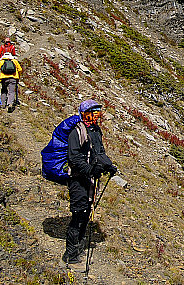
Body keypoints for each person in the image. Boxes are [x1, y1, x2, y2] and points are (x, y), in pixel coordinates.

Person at [63, 99, 118, 266]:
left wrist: (108, 166)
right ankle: (70, 253)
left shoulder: (95, 130)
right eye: (93, 112)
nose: (97, 115)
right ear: (85, 113)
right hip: (78, 179)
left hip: (91, 179)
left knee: (87, 212)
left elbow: (99, 151)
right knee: (79, 213)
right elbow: (74, 157)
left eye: (97, 112)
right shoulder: (77, 131)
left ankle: (78, 247)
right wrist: (89, 170)